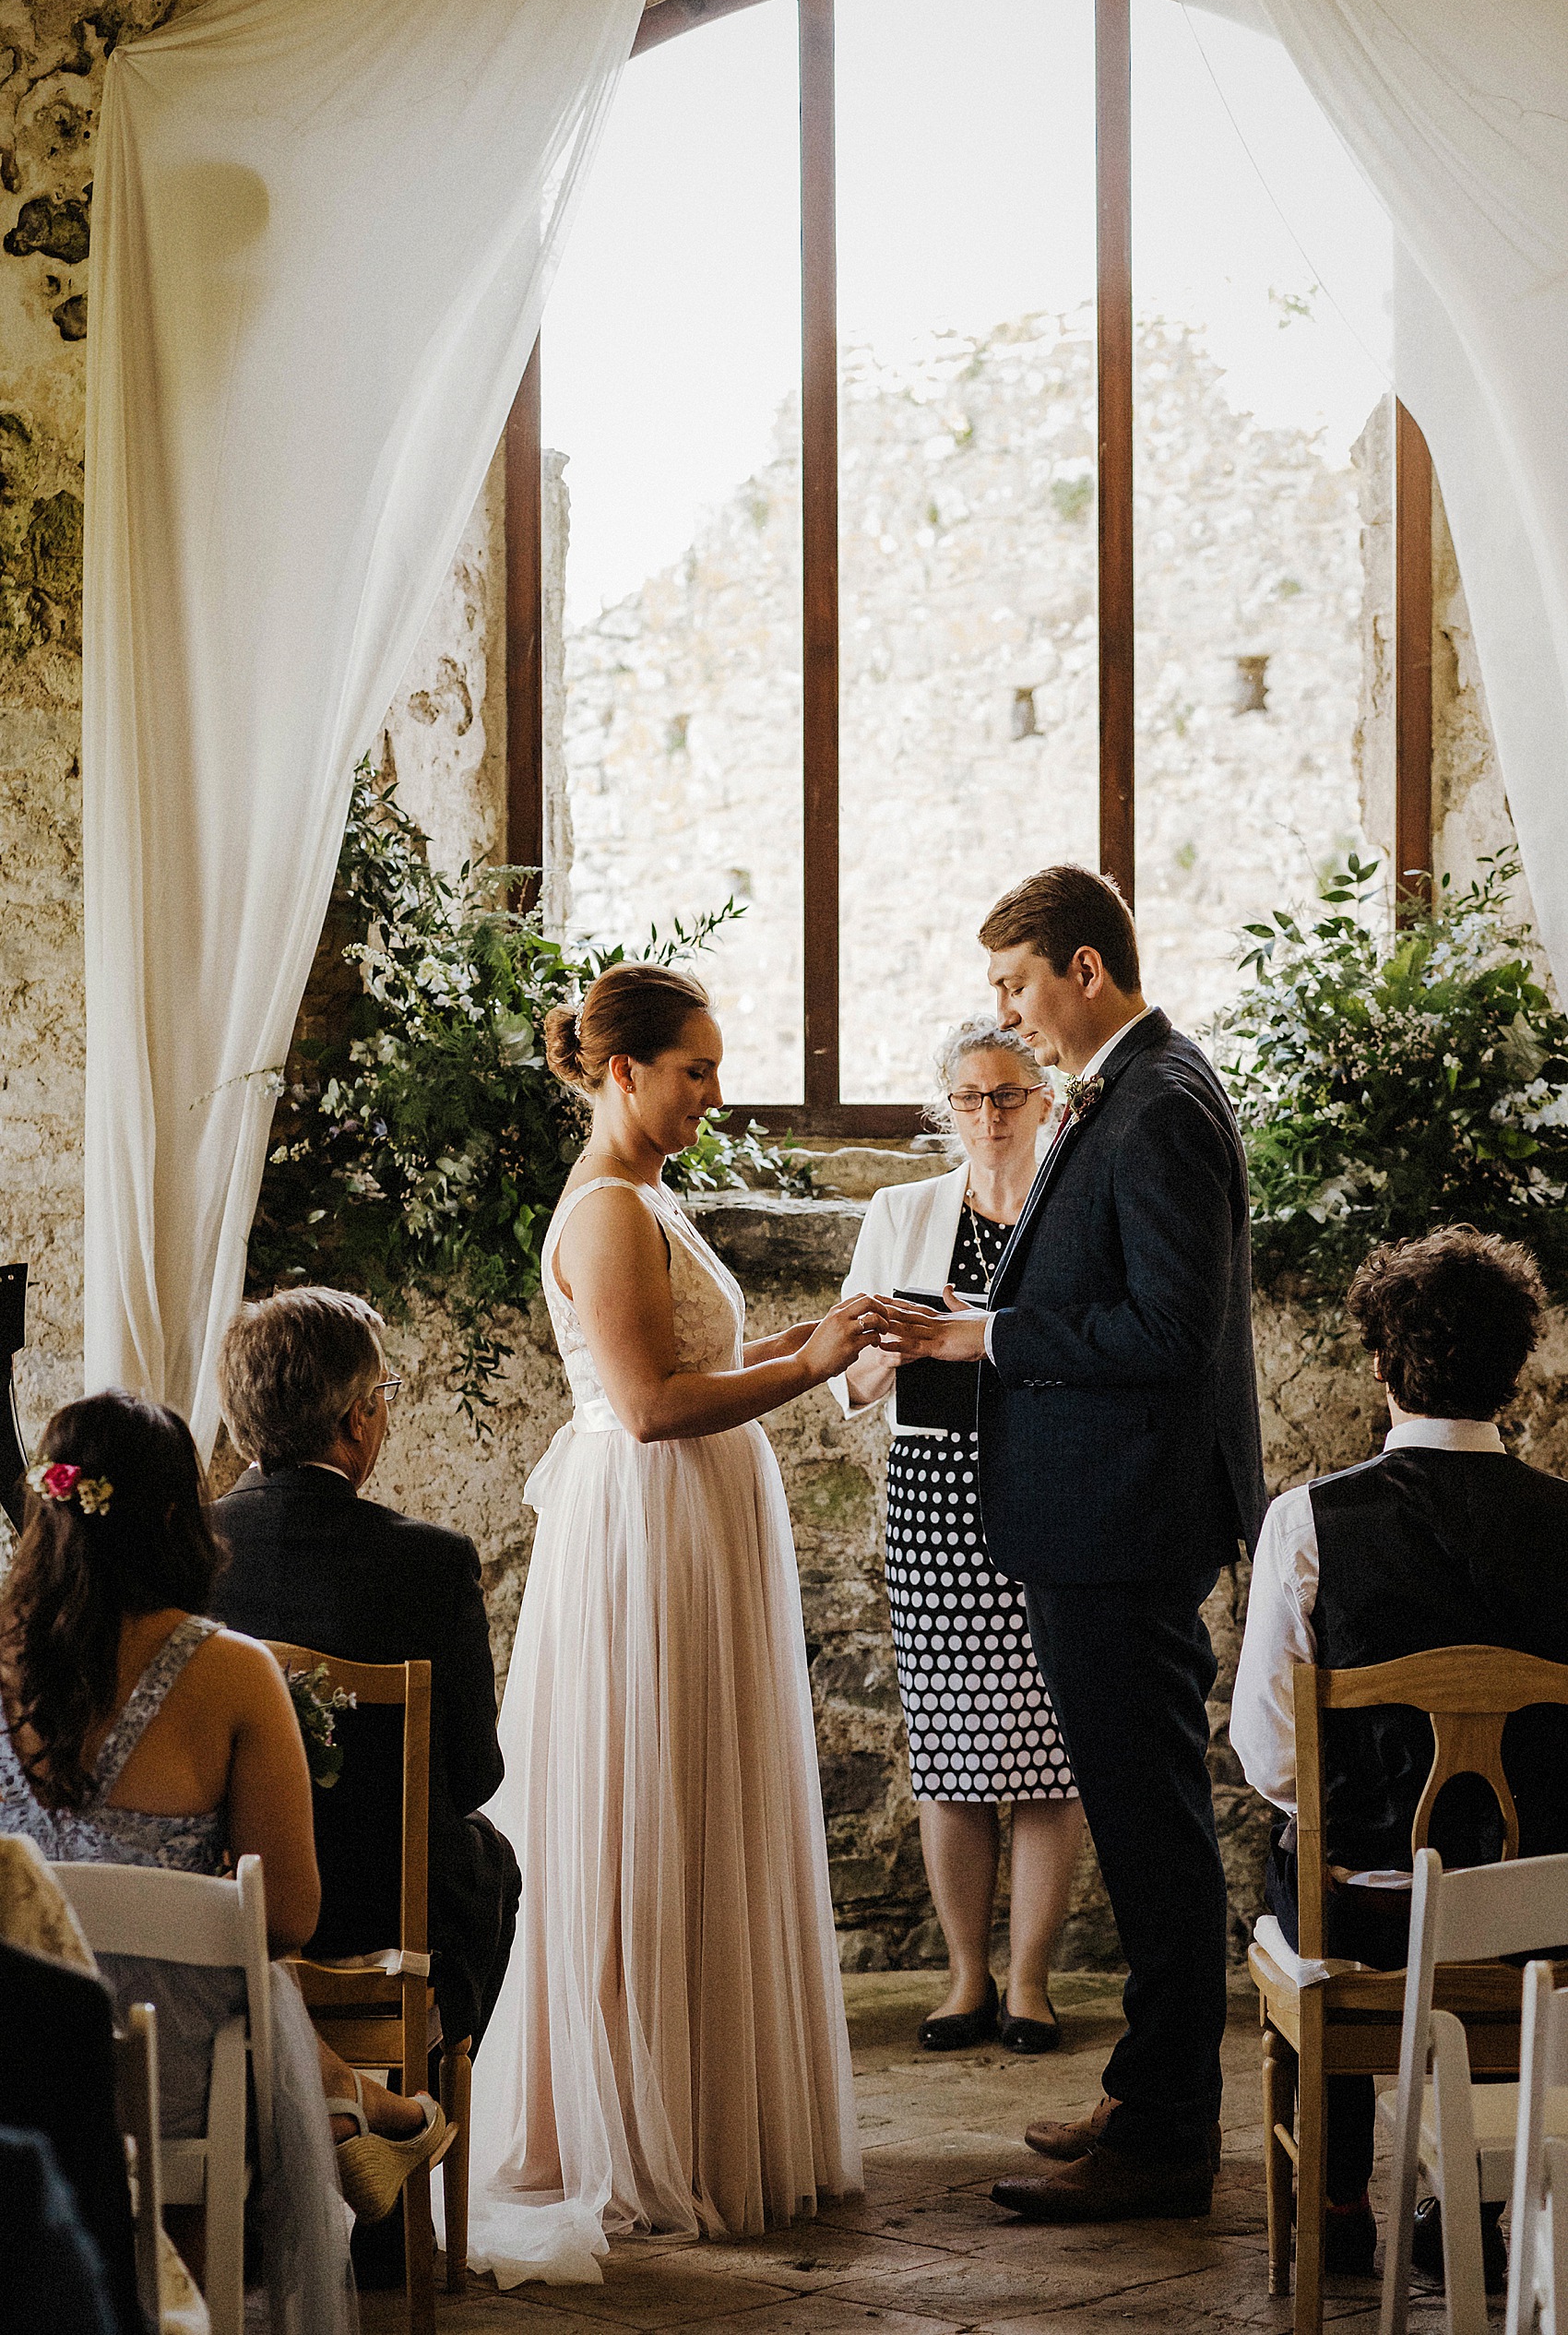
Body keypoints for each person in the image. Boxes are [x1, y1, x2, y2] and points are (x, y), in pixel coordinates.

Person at [465, 961, 873, 2285]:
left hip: (692, 1523)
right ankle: (629, 2119)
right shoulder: (601, 1210)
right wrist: (803, 1368)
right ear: (622, 1069)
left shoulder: (649, 1193)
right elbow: (644, 1404)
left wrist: (825, 1330)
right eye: (692, 1067)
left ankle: (701, 2097)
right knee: (647, 1802)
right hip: (644, 1527)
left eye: (713, 1063)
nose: (712, 1088)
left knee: (703, 1798)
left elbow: (696, 1361)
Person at [874, 864, 1266, 2223]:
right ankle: (1150, 2093)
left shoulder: (1154, 1104)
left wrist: (989, 1333)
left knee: (1153, 1824)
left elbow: (1171, 1334)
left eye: (1016, 983)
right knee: (1142, 1809)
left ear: (1084, 970)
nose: (1009, 1012)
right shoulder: (1136, 1088)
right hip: (1102, 1514)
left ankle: (1163, 2140)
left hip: (1122, 1520)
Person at [0, 1390, 451, 2296]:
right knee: (253, 1982)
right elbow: (288, 1913)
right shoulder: (234, 1671)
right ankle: (340, 2118)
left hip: (15, 2047)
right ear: (175, 1517)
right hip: (168, 2074)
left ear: (51, 1506)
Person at [1231, 1225, 1568, 2283]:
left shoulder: (1308, 1522)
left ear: (1380, 1365)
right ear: (1513, 1373)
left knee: (1303, 1856)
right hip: (1543, 1908)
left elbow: (1267, 1757)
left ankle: (1335, 2201)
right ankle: (1463, 2193)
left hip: (1373, 1908)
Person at [833, 1019, 1085, 2053]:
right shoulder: (902, 1211)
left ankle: (1028, 1983)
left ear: (1045, 1104)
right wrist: (896, 1345)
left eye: (1009, 1096)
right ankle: (963, 1976)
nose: (989, 1116)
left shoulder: (1074, 1209)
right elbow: (842, 1380)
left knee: (1046, 1751)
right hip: (933, 1490)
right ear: (947, 1109)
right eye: (970, 1099)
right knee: (948, 1750)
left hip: (1052, 1481)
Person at [212, 1285, 520, 2067]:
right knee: (493, 1858)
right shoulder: (432, 1562)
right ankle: (418, 2100)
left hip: (230, 1912)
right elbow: (475, 1776)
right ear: (357, 1418)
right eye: (383, 1393)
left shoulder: (183, 1552)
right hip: (385, 1919)